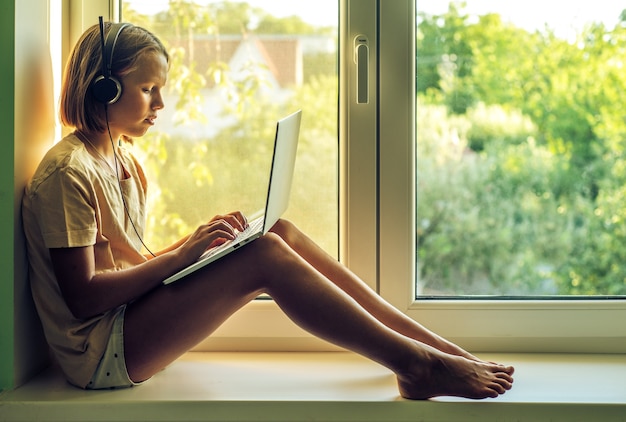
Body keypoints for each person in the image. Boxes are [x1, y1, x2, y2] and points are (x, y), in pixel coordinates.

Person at [21, 20, 514, 399]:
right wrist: (180, 256)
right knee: (263, 259)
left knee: (276, 230)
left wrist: (200, 244)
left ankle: (435, 349)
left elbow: (130, 261)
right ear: (102, 88)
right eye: (149, 89)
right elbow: (83, 298)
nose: (161, 103)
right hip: (100, 353)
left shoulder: (123, 159)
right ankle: (417, 367)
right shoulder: (68, 173)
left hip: (130, 323)